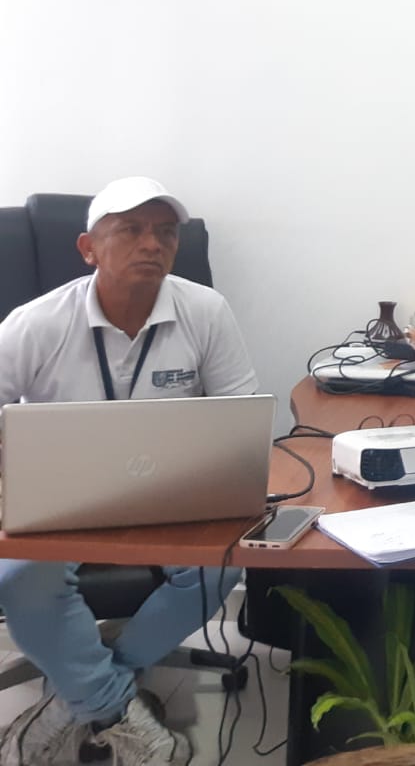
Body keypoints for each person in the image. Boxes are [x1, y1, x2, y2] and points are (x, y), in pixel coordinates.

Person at [0, 177, 258, 766]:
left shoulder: (205, 311)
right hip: (59, 501)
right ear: (88, 248)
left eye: (165, 232)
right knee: (21, 580)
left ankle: (80, 695)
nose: (152, 243)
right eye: (131, 230)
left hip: (169, 493)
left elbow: (241, 417)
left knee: (223, 564)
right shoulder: (36, 323)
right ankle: (115, 706)